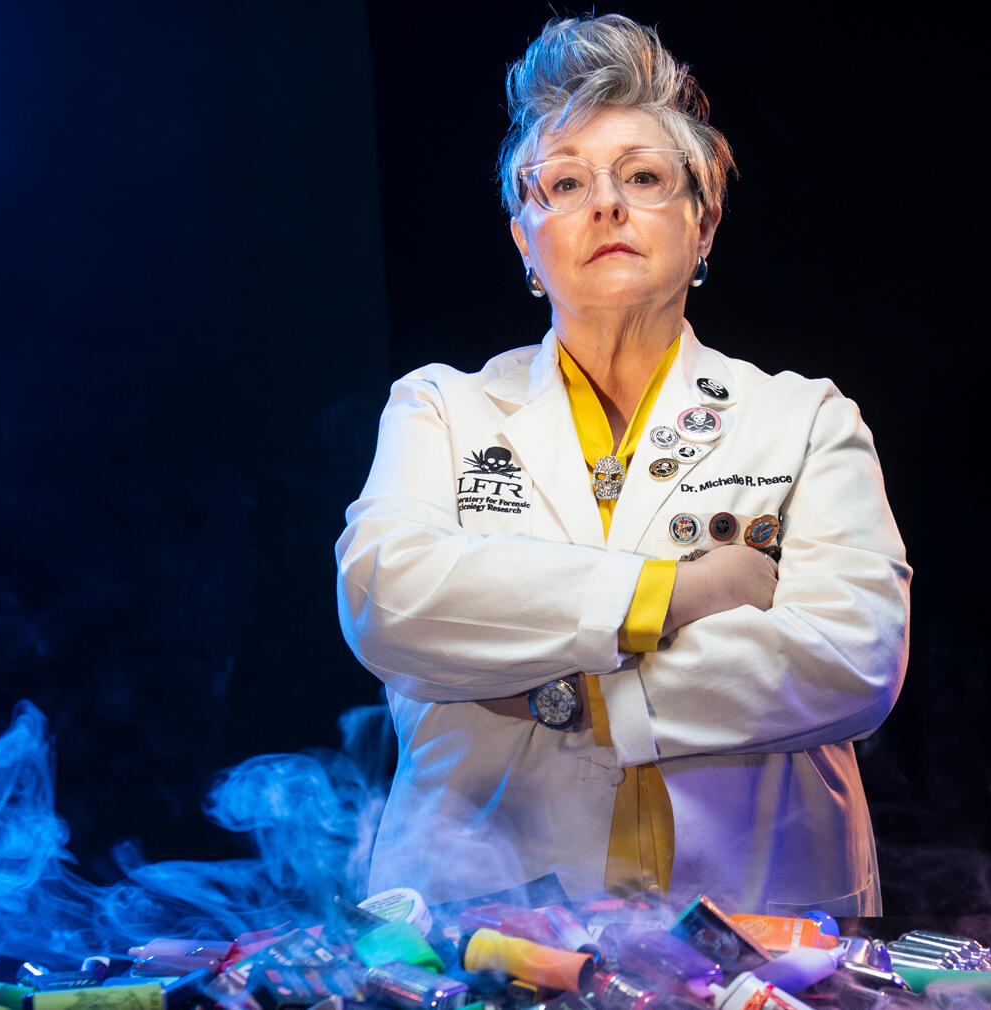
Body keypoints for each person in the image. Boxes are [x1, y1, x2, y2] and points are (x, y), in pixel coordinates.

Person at [334, 13, 910, 916]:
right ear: (525, 240)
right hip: (480, 916)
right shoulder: (441, 408)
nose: (605, 205)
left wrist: (566, 695)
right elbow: (390, 601)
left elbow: (853, 653)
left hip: (767, 921)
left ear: (703, 221)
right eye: (564, 183)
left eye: (642, 177)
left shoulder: (803, 418)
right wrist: (679, 595)